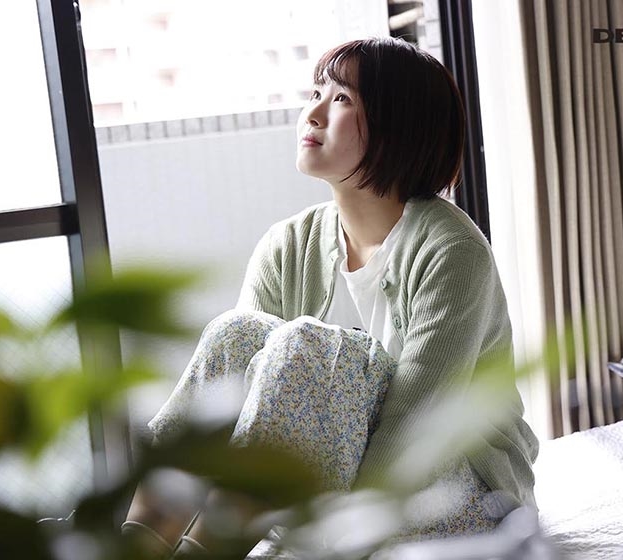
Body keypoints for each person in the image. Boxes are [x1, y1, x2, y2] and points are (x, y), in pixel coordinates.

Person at [122, 36, 538, 559]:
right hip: (324, 493)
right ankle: (135, 545)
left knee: (310, 344)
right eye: (315, 93)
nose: (313, 113)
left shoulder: (452, 251)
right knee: (236, 333)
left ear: (398, 124)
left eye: (341, 98)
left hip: (457, 492)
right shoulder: (287, 245)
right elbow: (243, 403)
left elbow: (419, 428)